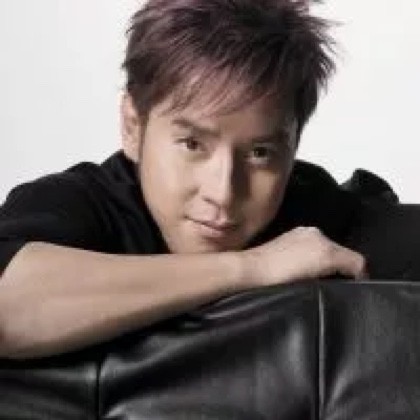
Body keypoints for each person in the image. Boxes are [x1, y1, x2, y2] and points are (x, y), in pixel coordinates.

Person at [0, 0, 367, 360]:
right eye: (192, 144)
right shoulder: (78, 202)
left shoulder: (320, 213)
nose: (223, 193)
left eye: (260, 153)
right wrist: (254, 266)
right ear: (132, 127)